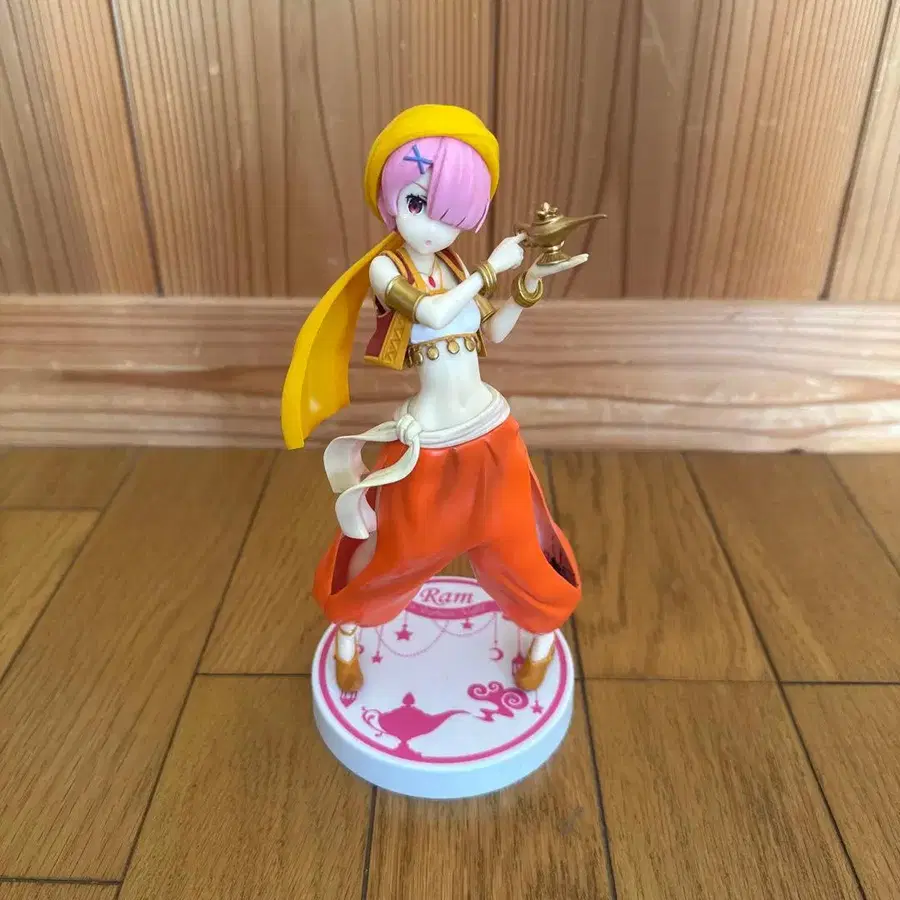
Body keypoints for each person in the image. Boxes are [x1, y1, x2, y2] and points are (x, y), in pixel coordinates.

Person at [282, 104, 585, 694]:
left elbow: (491, 332)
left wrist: (530, 284)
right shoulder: (387, 268)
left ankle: (542, 635)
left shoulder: (452, 264)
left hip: (491, 431)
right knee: (396, 554)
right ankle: (349, 630)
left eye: (450, 217)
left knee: (520, 545)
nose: (432, 228)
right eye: (417, 204)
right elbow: (434, 313)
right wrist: (490, 272)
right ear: (389, 197)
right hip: (430, 448)